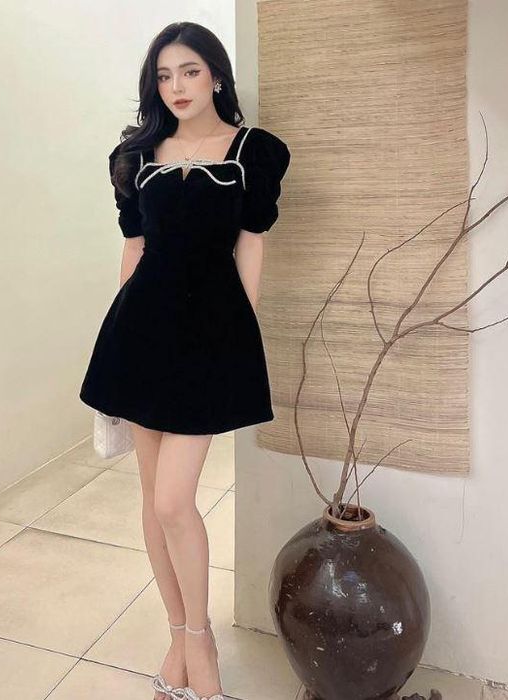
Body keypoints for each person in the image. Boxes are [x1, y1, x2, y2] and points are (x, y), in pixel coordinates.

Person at [79, 20, 291, 700]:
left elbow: (250, 243)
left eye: (190, 71)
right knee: (152, 500)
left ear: (216, 75)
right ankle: (185, 643)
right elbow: (134, 248)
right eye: (164, 75)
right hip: (142, 333)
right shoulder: (136, 155)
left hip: (209, 335)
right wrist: (125, 337)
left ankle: (198, 645)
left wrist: (239, 333)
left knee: (174, 500)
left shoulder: (253, 151)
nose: (176, 86)